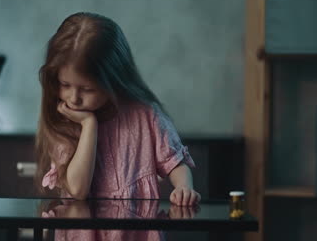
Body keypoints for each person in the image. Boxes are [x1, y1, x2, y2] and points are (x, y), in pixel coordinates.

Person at [35, 12, 200, 207]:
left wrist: (183, 187)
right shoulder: (64, 121)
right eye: (65, 85)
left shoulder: (146, 115)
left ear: (114, 80)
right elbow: (78, 190)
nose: (74, 98)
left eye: (87, 89)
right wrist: (89, 125)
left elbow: (175, 162)